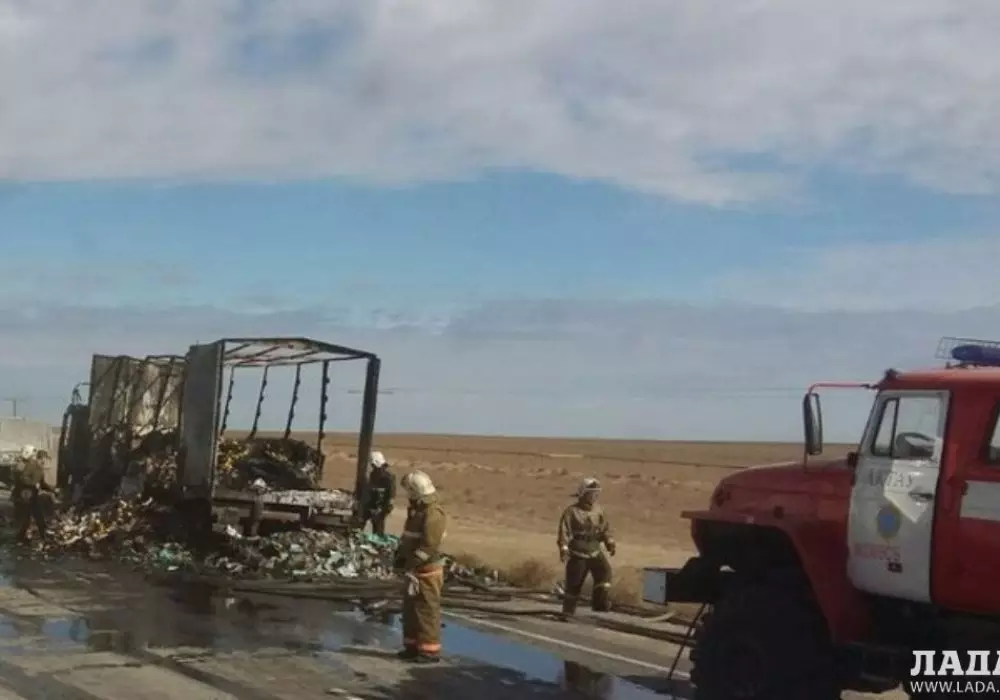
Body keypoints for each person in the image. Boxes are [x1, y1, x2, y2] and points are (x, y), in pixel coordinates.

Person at [393, 470, 447, 663]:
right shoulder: (418, 511)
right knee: (411, 610)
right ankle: (412, 646)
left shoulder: (433, 514)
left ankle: (429, 651)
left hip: (427, 570)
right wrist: (400, 557)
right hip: (415, 569)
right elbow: (409, 537)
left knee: (426, 611)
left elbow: (429, 546)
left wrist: (412, 561)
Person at [557, 477, 616, 619]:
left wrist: (609, 542)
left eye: (597, 493)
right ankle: (567, 613)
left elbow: (605, 529)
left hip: (595, 551)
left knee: (605, 573)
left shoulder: (599, 511)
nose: (594, 496)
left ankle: (599, 603)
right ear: (583, 494)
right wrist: (564, 548)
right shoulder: (571, 512)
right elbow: (564, 531)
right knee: (574, 585)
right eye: (591, 493)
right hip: (578, 553)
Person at [10, 445, 55, 544]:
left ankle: (42, 536)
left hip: (33, 495)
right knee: (27, 518)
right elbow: (24, 477)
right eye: (43, 459)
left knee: (38, 516)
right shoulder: (32, 465)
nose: (44, 461)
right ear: (39, 458)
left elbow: (42, 483)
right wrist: (32, 484)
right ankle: (20, 537)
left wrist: (52, 489)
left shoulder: (40, 469)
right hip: (26, 495)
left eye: (45, 460)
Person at [362, 450, 396, 536]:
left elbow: (390, 495)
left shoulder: (388, 477)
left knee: (378, 530)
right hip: (372, 504)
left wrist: (382, 509)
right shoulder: (373, 474)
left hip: (381, 507)